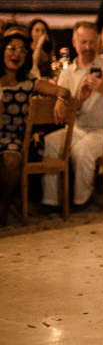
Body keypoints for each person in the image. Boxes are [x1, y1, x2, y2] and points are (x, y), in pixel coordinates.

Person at [40, 22, 103, 210]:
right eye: (83, 42)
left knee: (82, 151)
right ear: (74, 42)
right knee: (50, 143)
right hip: (78, 128)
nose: (88, 47)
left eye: (92, 42)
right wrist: (78, 100)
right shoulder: (67, 73)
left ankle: (81, 201)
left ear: (98, 43)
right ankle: (51, 202)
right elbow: (66, 113)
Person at [0, 27, 69, 225]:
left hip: (14, 140)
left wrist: (61, 99)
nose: (16, 54)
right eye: (12, 48)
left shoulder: (29, 81)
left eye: (22, 51)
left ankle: (4, 204)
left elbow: (63, 90)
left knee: (11, 159)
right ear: (2, 50)